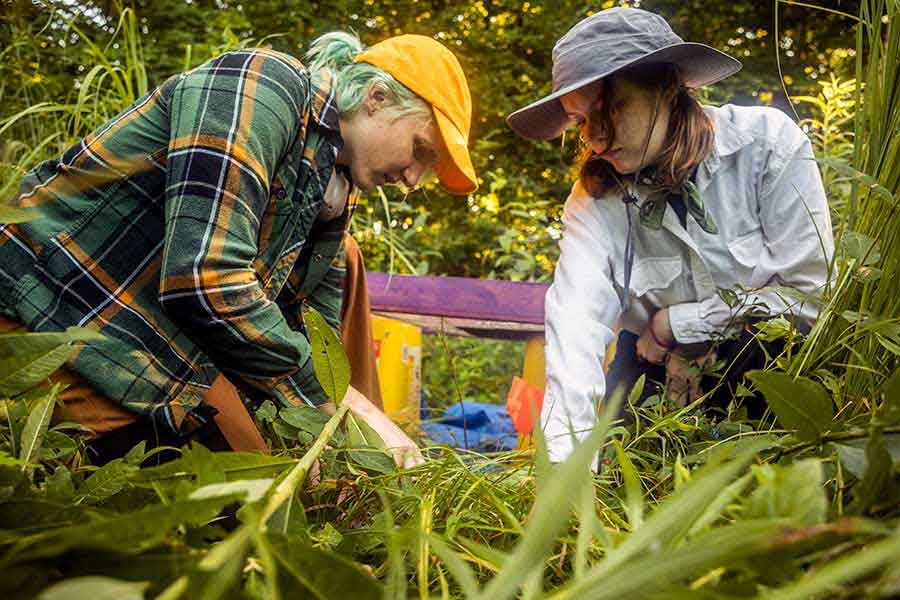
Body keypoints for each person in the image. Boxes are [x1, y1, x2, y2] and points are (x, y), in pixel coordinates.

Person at [0, 31, 477, 467]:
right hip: (55, 311)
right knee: (216, 507)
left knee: (274, 477)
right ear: (376, 98)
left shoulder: (335, 186)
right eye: (421, 151)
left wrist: (333, 430)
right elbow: (203, 279)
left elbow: (316, 332)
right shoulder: (263, 84)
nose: (414, 180)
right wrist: (347, 408)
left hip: (157, 340)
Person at [507, 7, 833, 462]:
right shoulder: (594, 199)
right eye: (582, 121)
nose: (597, 137)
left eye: (611, 108)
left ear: (665, 86)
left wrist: (678, 324)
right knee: (628, 465)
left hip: (769, 358)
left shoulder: (768, 147)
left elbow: (811, 297)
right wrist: (565, 471)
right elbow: (576, 321)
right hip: (649, 364)